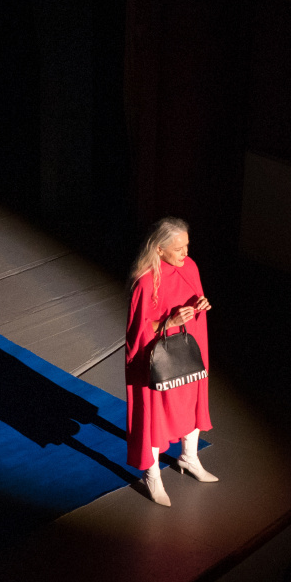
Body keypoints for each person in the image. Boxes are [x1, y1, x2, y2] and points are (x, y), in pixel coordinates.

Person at [125, 217, 215, 506]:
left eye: (187, 246)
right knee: (155, 416)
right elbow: (137, 331)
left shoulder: (190, 267)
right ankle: (151, 475)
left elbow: (194, 299)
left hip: (189, 349)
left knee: (191, 401)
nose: (185, 253)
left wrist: (200, 305)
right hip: (159, 357)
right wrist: (170, 322)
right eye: (178, 248)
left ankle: (189, 457)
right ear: (159, 249)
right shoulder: (145, 281)